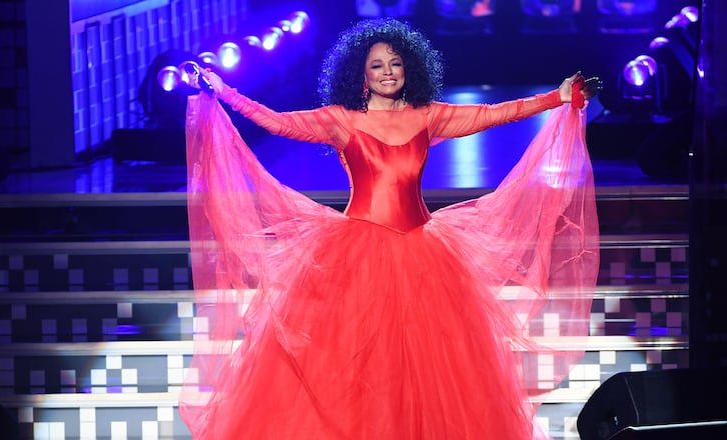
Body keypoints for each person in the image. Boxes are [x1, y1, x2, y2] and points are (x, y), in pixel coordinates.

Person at [179, 18, 602, 440]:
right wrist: (227, 93)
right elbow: (277, 122)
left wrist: (556, 98)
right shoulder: (340, 120)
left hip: (425, 254)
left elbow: (494, 114)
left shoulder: (428, 115)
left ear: (409, 69)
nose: (387, 72)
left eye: (395, 63)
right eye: (376, 65)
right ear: (360, 75)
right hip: (355, 253)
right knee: (357, 367)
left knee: (430, 371)